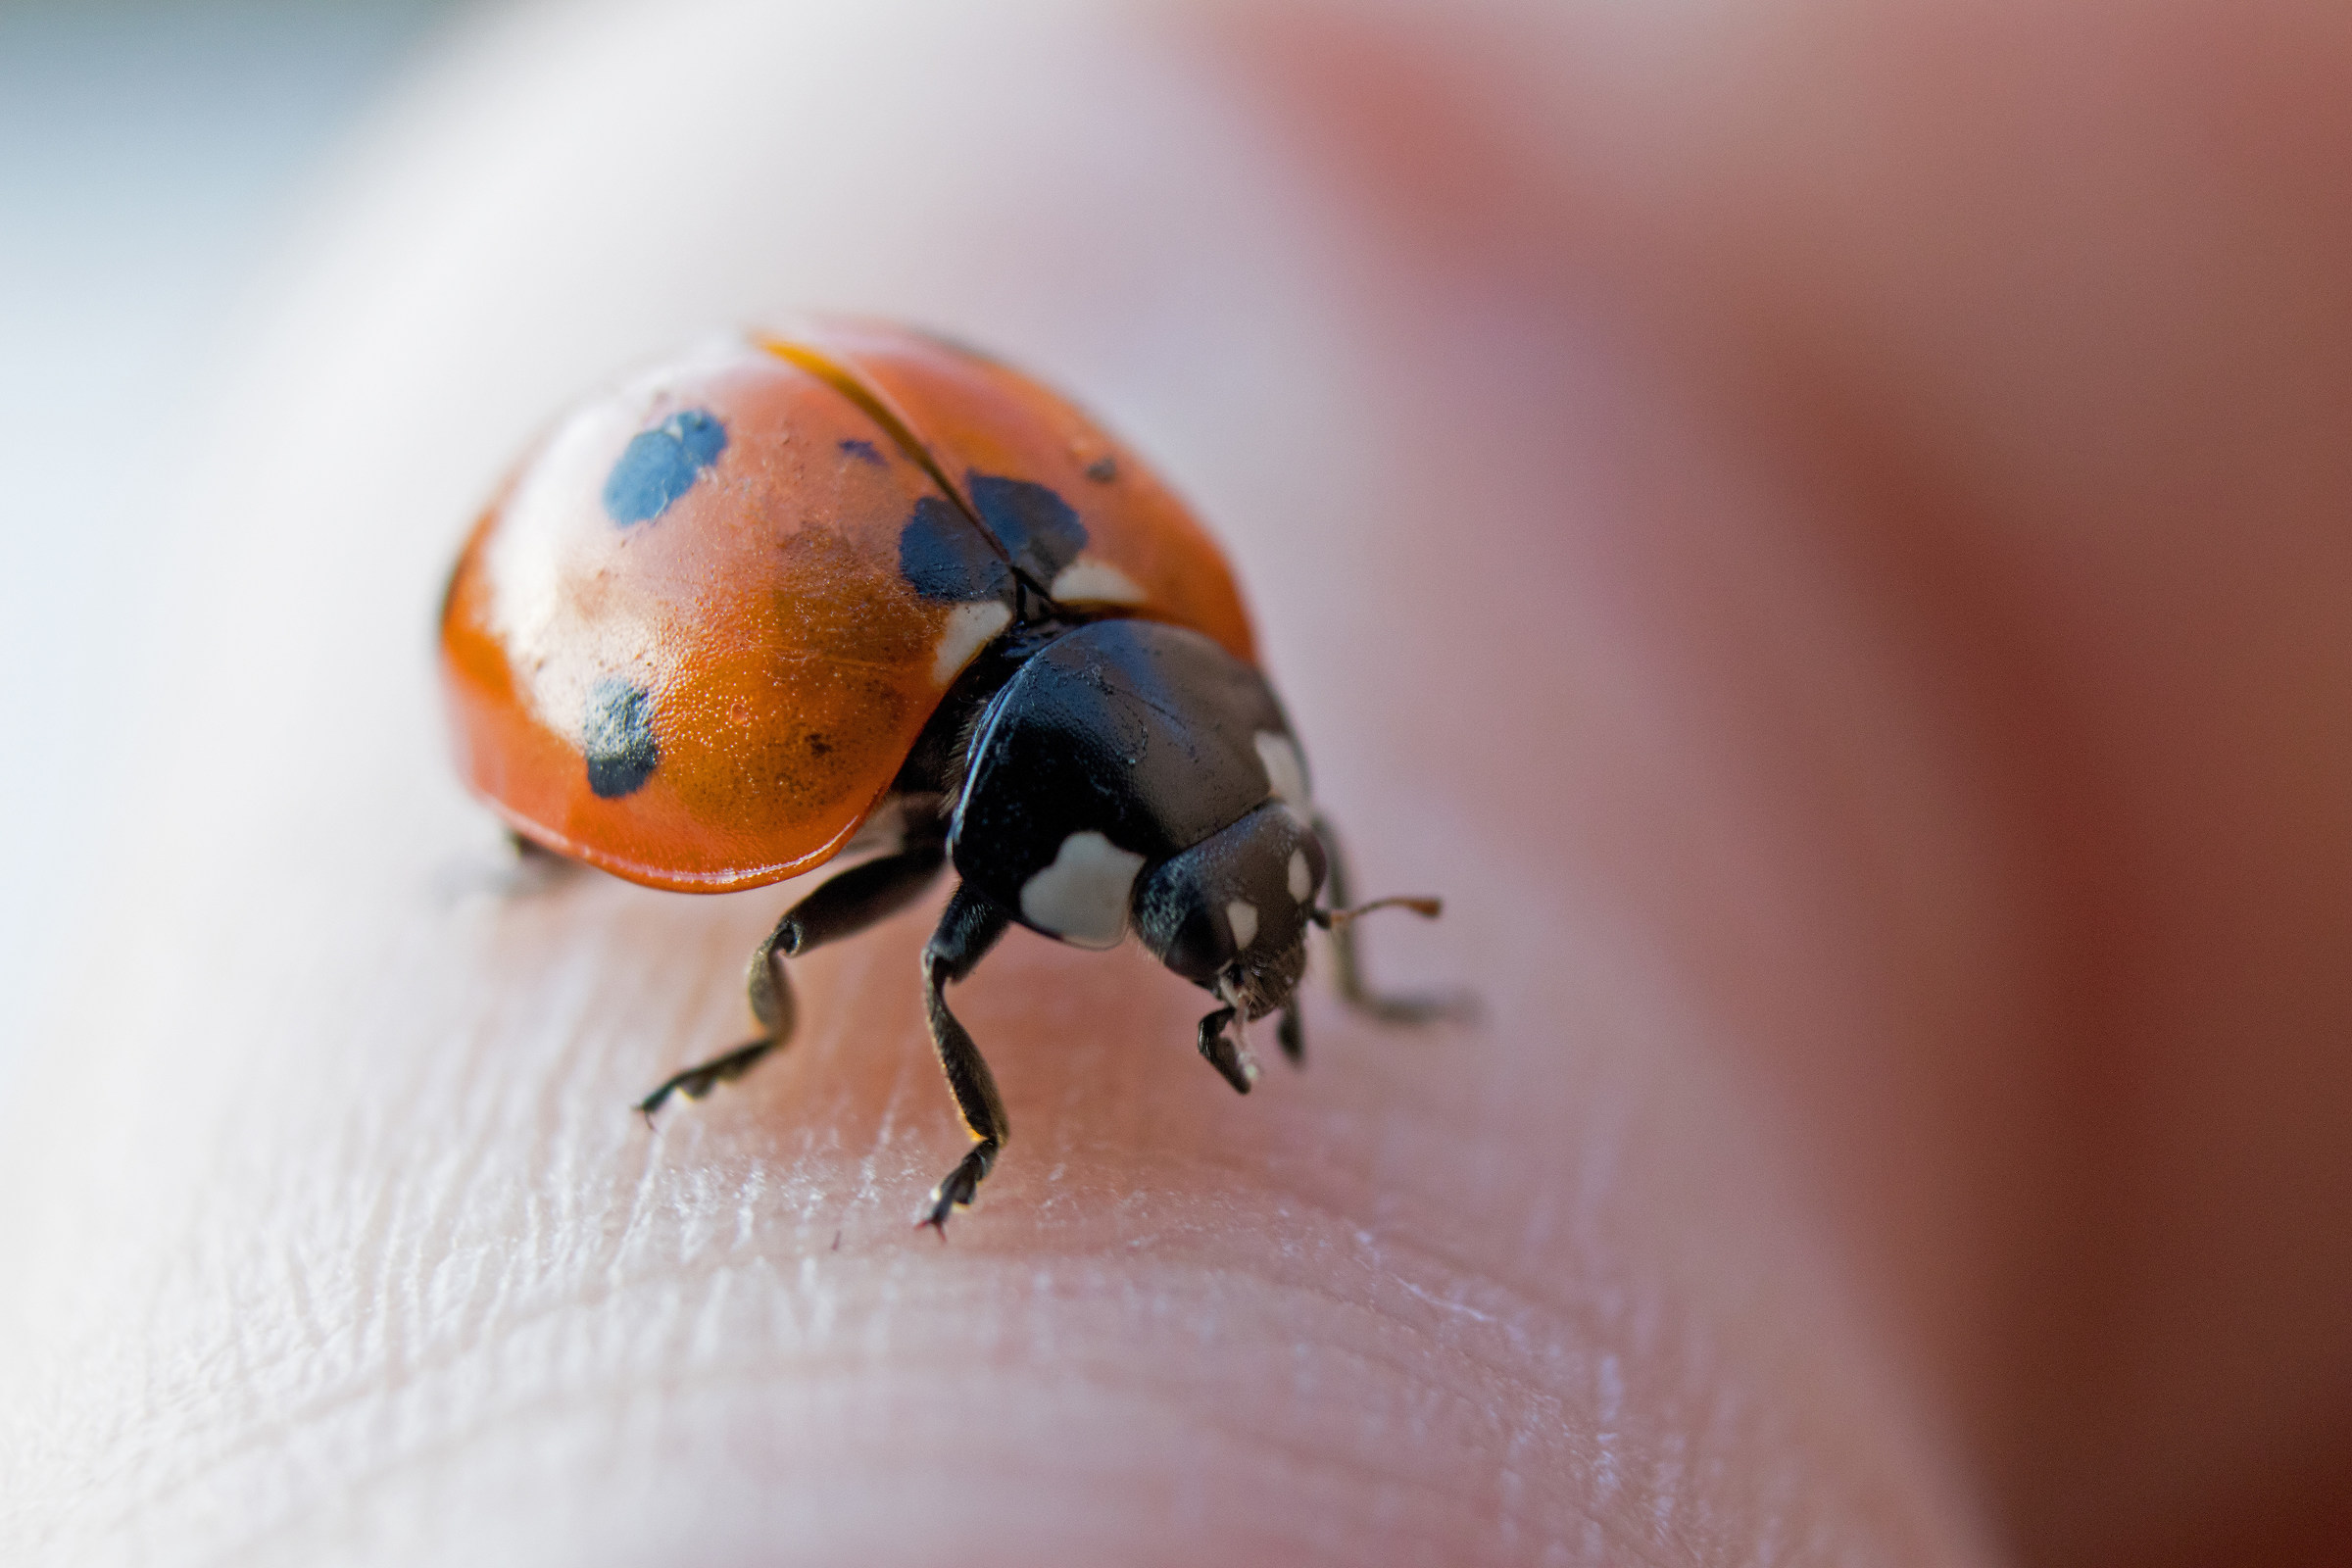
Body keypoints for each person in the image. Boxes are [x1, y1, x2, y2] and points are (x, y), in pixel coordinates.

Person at [2, 1, 2344, 1562]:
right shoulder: (975, 726)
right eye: (1244, 917)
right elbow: (925, 917)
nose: (1250, 953)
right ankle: (730, 1015)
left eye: (1257, 903)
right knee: (849, 953)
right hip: (709, 525)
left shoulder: (1185, 627)